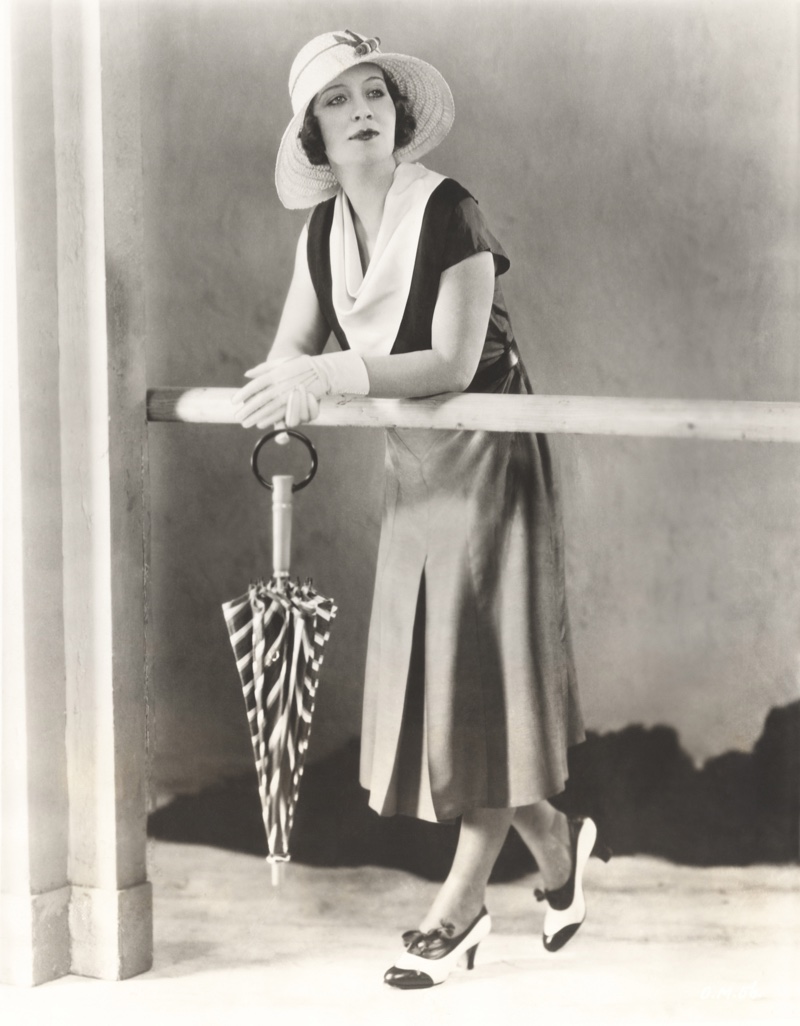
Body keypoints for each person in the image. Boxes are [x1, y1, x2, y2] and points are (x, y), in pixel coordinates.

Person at [233, 29, 610, 989]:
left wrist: (328, 373)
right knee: (447, 680)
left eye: (374, 93)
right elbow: (292, 347)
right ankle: (558, 847)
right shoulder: (321, 232)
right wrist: (278, 384)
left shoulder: (450, 209)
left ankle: (463, 905)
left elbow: (446, 363)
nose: (361, 109)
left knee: (476, 675)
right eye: (335, 101)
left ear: (398, 115)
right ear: (314, 137)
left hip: (488, 449)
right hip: (416, 463)